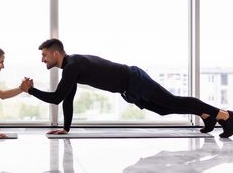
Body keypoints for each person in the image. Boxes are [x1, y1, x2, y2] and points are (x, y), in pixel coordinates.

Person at [19, 38, 233, 138]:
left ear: (56, 53)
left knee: (172, 102)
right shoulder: (72, 66)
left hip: (134, 79)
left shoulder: (73, 65)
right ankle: (208, 115)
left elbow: (56, 97)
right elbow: (67, 98)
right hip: (128, 89)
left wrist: (30, 90)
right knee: (163, 109)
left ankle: (225, 115)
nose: (42, 59)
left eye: (44, 55)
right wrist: (66, 128)